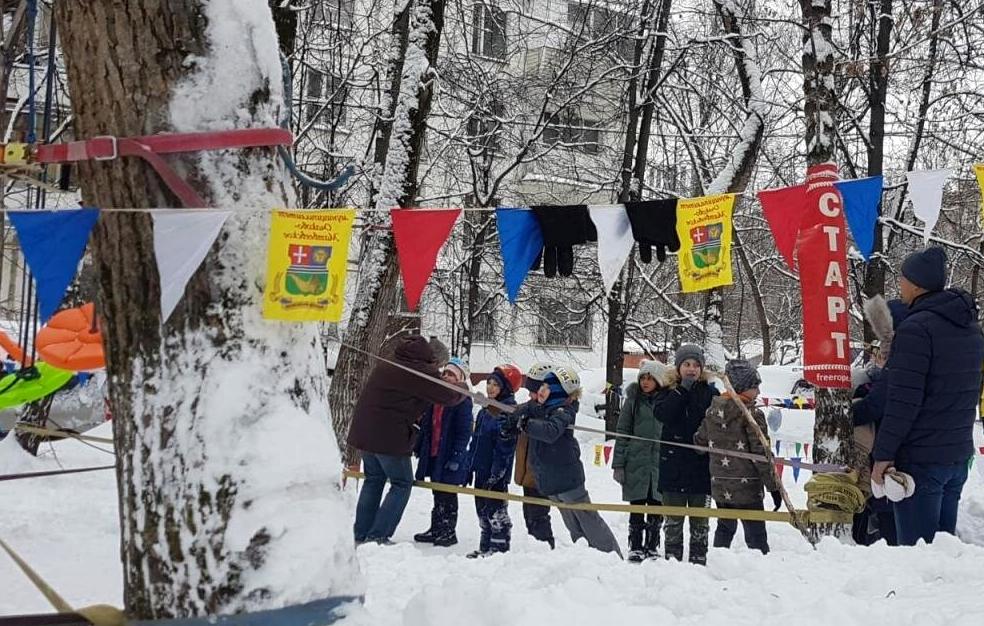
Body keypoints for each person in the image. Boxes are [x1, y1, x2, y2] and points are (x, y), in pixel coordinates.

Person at [872, 247, 984, 546]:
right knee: (944, 553)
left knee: (917, 557)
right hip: (957, 455)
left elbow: (903, 402)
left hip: (921, 460)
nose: (900, 285)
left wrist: (883, 455)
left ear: (917, 284)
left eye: (903, 279)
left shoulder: (916, 330)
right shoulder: (971, 330)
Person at [348, 335, 465, 545]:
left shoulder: (392, 361)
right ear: (433, 360)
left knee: (373, 480)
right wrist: (463, 388)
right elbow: (448, 396)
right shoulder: (420, 372)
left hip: (365, 432)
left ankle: (361, 532)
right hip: (388, 437)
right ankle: (378, 535)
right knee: (402, 483)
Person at [519, 366, 623, 557]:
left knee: (589, 520)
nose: (541, 391)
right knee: (572, 524)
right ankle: (586, 556)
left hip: (567, 478)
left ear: (557, 392)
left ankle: (611, 556)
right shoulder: (542, 408)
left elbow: (550, 431)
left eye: (546, 387)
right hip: (550, 480)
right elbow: (523, 410)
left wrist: (527, 424)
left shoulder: (563, 411)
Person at [696, 359, 780, 555]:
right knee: (755, 530)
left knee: (725, 526)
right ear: (742, 387)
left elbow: (699, 442)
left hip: (721, 484)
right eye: (754, 387)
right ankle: (761, 561)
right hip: (747, 486)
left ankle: (719, 558)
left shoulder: (712, 410)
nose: (758, 392)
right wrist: (774, 487)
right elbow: (761, 453)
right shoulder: (751, 414)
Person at [850, 296, 908, 546]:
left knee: (889, 516)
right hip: (904, 454)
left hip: (889, 456)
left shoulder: (896, 373)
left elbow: (875, 407)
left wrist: (848, 412)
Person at [656, 344, 718, 565]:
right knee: (673, 520)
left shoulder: (711, 393)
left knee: (700, 521)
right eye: (687, 364)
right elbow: (663, 414)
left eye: (695, 365)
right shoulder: (666, 391)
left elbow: (717, 422)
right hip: (673, 466)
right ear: (678, 367)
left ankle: (698, 559)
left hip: (700, 468)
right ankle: (672, 559)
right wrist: (682, 390)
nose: (691, 369)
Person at [613, 359, 675, 562]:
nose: (645, 382)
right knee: (637, 505)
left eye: (650, 378)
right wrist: (619, 464)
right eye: (643, 378)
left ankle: (652, 544)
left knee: (656, 505)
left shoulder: (667, 402)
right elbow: (623, 432)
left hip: (660, 463)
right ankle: (636, 545)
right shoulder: (633, 401)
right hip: (636, 462)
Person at [413, 358, 474, 547]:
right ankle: (436, 527)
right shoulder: (436, 398)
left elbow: (464, 431)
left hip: (449, 455)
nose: (447, 377)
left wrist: (457, 455)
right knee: (437, 492)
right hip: (434, 452)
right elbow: (427, 426)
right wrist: (419, 445)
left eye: (452, 375)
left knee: (448, 494)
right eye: (445, 373)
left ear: (460, 378)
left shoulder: (462, 400)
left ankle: (448, 530)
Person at [465, 364, 523, 558]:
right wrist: (469, 466)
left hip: (495, 475)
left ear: (505, 388)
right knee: (482, 511)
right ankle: (485, 546)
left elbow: (505, 449)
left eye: (495, 384)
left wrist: (497, 473)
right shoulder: (484, 412)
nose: (490, 387)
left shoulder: (507, 414)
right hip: (481, 471)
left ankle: (499, 549)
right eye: (489, 383)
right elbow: (476, 441)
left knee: (496, 512)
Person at [513, 363, 556, 549]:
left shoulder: (552, 412)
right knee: (529, 513)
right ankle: (534, 548)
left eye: (534, 390)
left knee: (539, 515)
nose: (530, 395)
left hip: (541, 473)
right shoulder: (528, 407)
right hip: (527, 471)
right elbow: (508, 416)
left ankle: (545, 546)